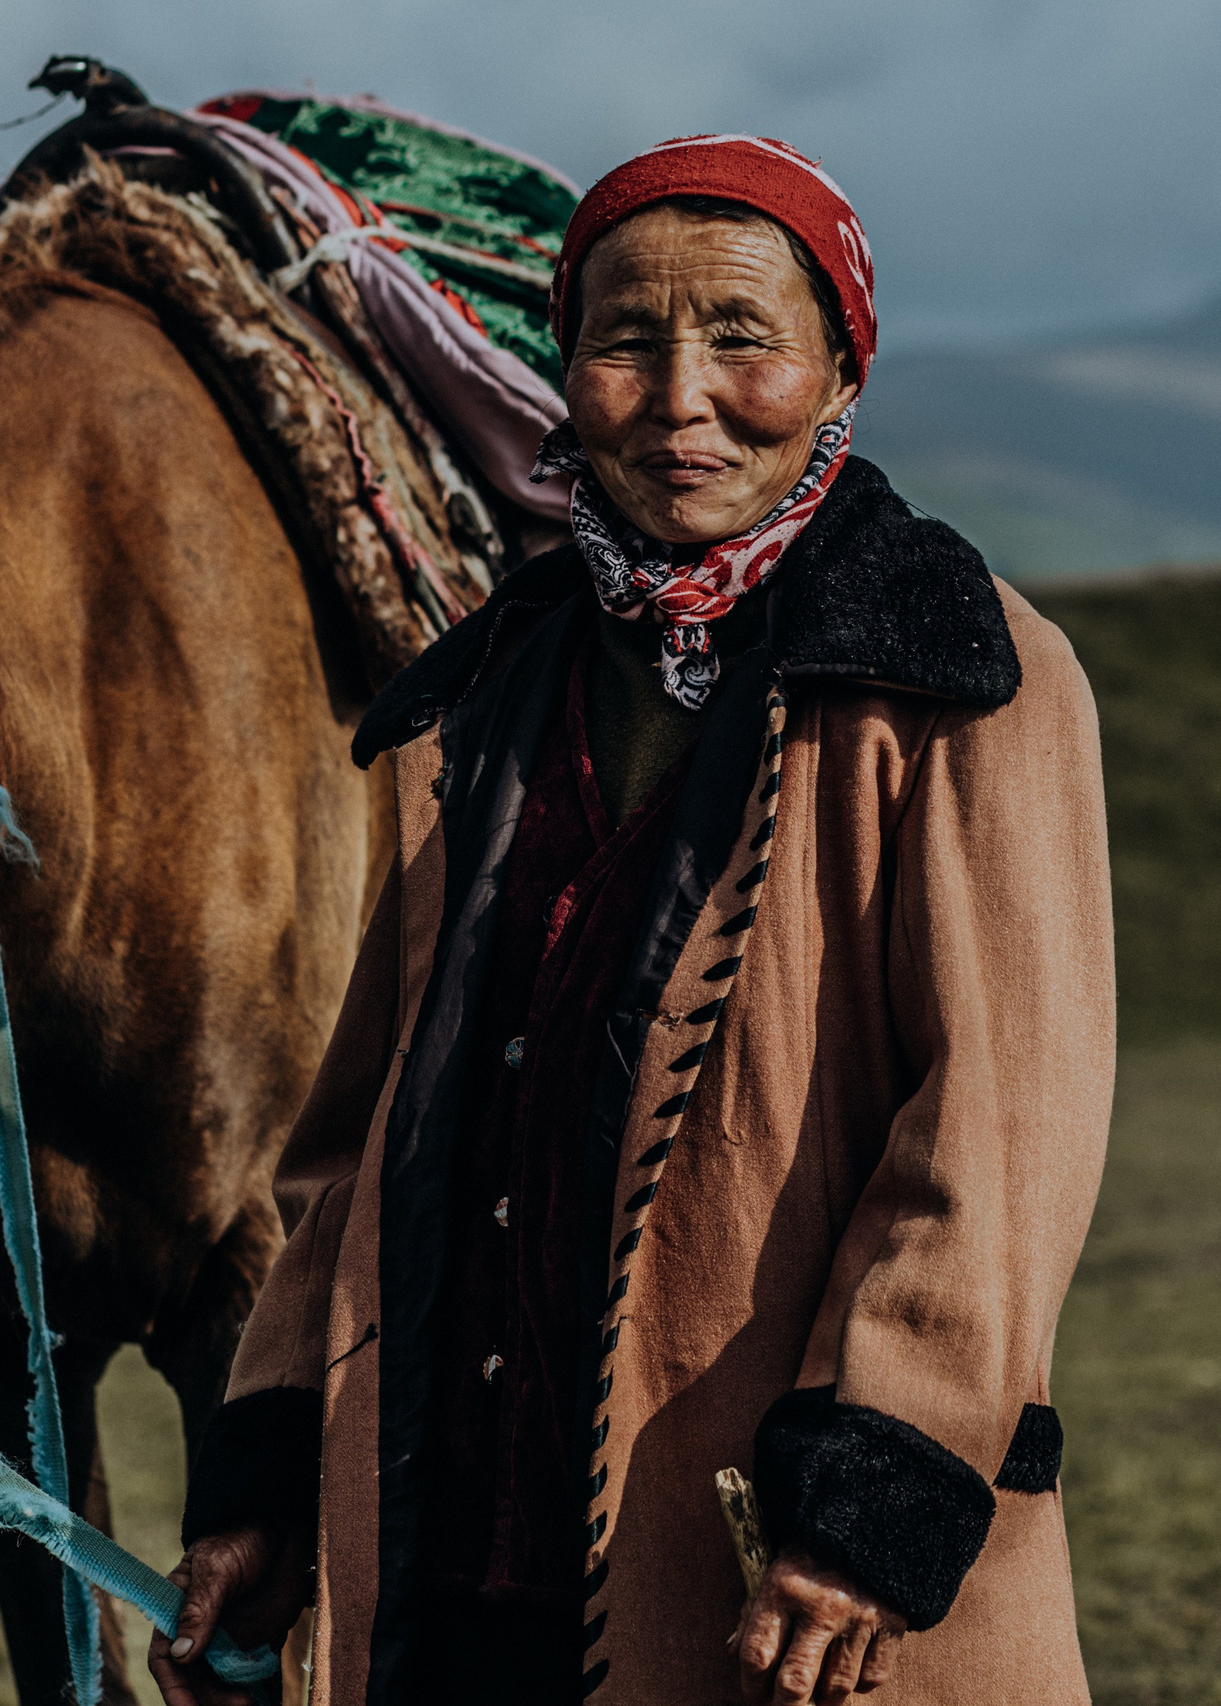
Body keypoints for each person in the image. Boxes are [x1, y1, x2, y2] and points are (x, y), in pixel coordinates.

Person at [151, 134, 1115, 1706]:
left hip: (774, 1569)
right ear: (566, 371)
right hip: (457, 1548)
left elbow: (1003, 1141)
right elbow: (350, 1149)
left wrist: (871, 1495)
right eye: (626, 339)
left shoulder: (959, 677)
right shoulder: (476, 700)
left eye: (743, 337)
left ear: (838, 374)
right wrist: (262, 1480)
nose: (682, 397)